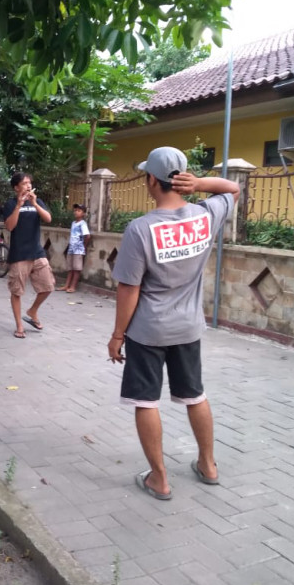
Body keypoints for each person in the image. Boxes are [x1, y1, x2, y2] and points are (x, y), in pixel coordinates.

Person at [107, 146, 240, 501]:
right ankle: (208, 465)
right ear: (181, 179)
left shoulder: (140, 229)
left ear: (151, 180)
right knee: (195, 395)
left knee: (145, 401)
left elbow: (129, 289)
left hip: (148, 331)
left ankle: (160, 478)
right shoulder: (206, 214)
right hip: (188, 327)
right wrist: (199, 185)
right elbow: (232, 188)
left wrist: (117, 335)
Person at [3, 172, 55, 339]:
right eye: (24, 183)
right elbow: (10, 227)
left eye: (29, 182)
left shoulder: (37, 201)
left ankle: (32, 311)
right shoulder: (10, 204)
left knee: (48, 286)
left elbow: (48, 219)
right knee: (17, 291)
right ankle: (19, 325)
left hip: (37, 252)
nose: (28, 185)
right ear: (16, 187)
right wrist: (19, 205)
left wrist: (34, 203)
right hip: (19, 254)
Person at [57, 203, 90, 293]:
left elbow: (87, 236)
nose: (76, 212)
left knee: (76, 269)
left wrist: (84, 246)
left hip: (78, 249)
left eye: (79, 211)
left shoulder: (83, 224)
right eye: (75, 210)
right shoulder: (73, 223)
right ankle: (66, 285)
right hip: (71, 248)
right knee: (70, 268)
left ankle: (73, 286)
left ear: (83, 213)